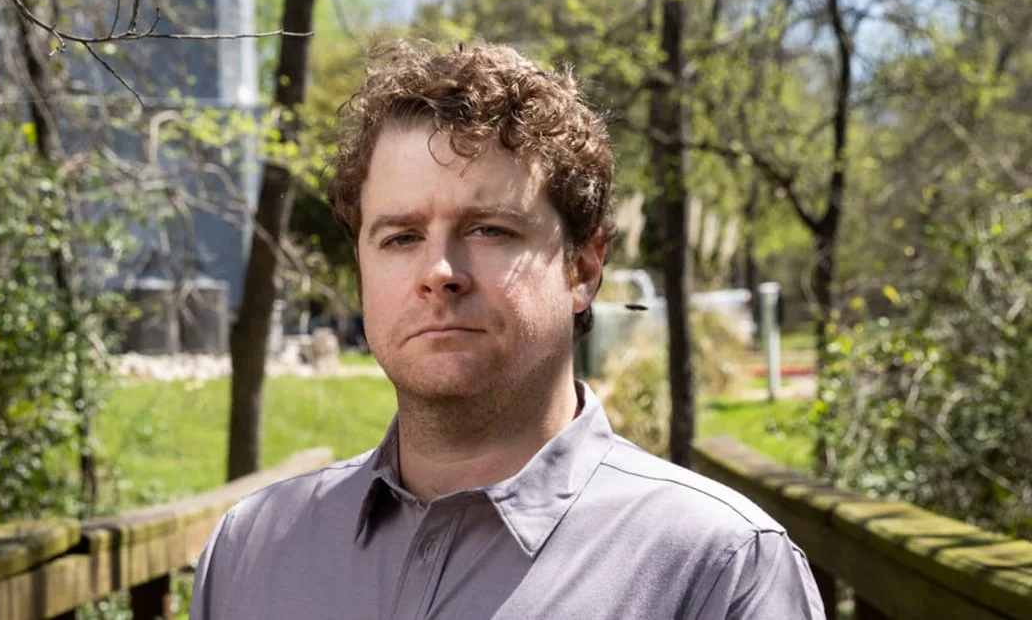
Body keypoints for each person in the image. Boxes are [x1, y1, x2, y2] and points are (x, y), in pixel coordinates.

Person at [191, 41, 825, 619]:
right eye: (401, 237)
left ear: (582, 269)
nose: (439, 273)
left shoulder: (719, 572)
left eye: (489, 229)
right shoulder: (251, 552)